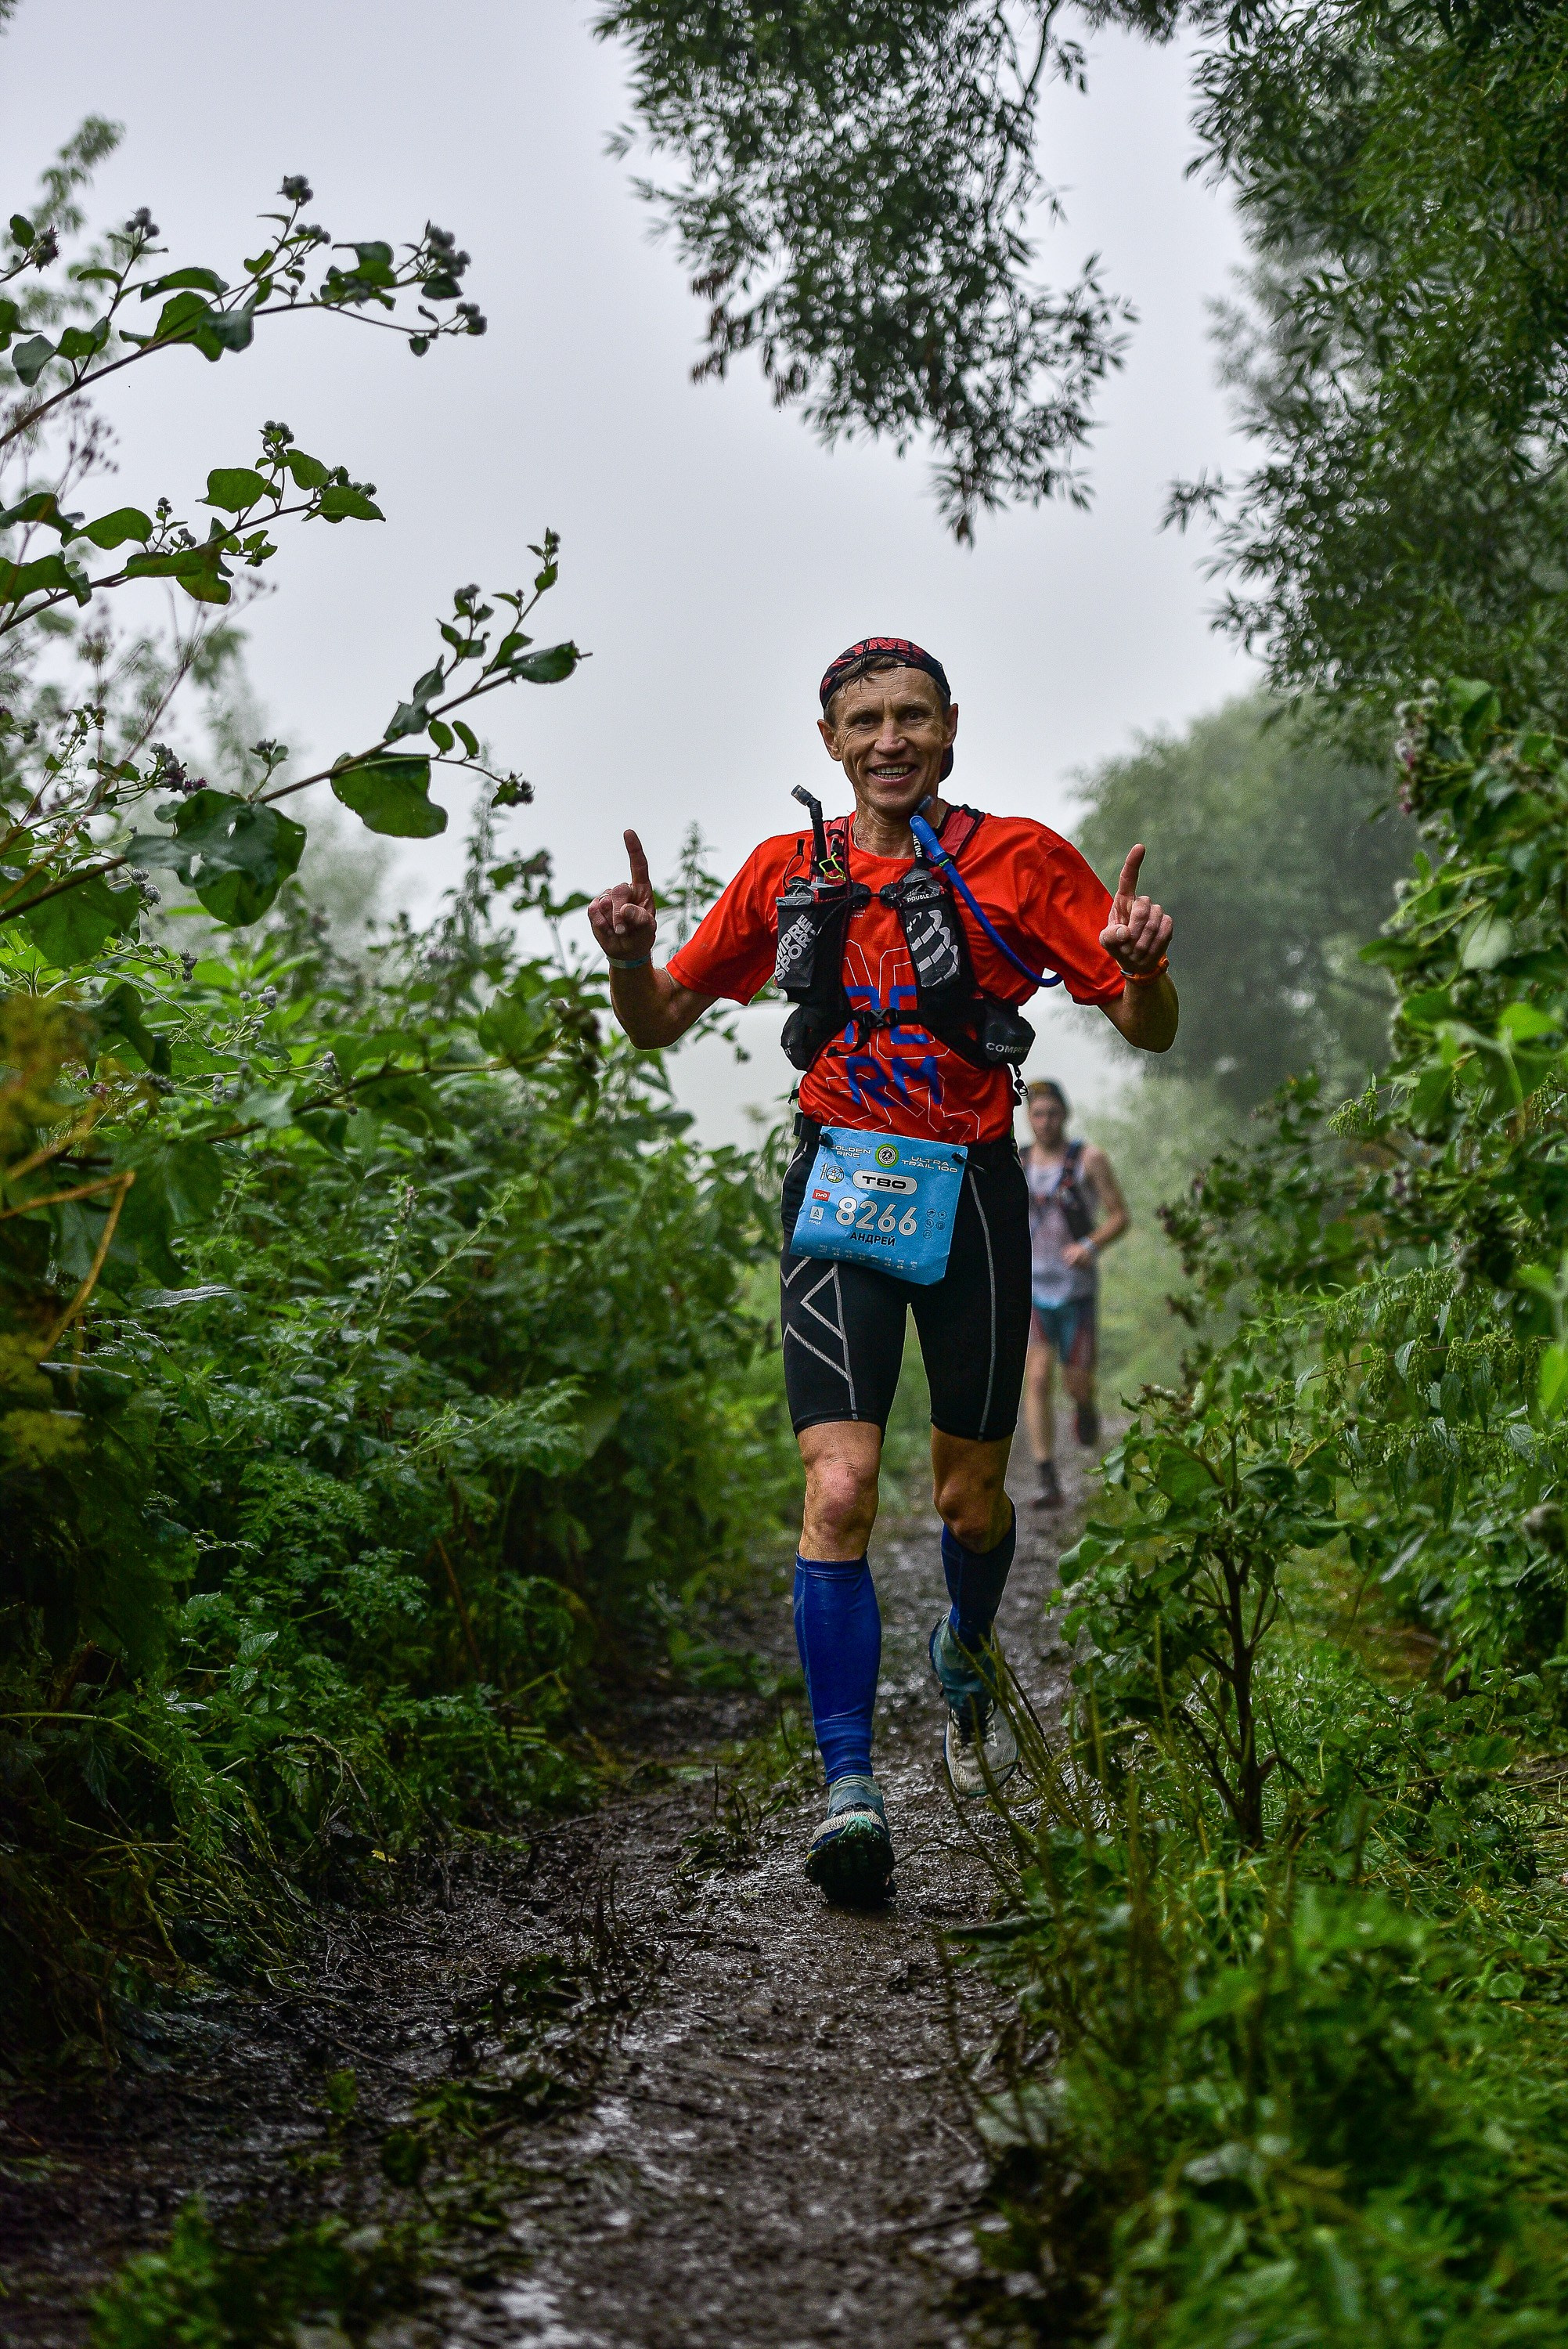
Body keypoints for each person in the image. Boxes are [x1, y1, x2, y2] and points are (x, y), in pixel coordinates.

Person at [586, 637, 1176, 1907]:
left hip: (974, 1199)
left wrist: (1140, 968)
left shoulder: (1019, 861)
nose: (889, 739)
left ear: (949, 728)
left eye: (911, 716)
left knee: (968, 1502)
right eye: (864, 721)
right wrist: (630, 957)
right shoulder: (782, 874)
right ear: (829, 742)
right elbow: (656, 1022)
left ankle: (966, 1641)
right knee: (840, 1487)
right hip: (837, 1190)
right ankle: (847, 1788)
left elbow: (1146, 1027)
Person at [1021, 1080, 1129, 1509]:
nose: (1045, 1122)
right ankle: (1047, 1478)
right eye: (1038, 1114)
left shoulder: (1089, 1159)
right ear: (1029, 1118)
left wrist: (1089, 1245)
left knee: (1076, 1384)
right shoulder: (1018, 1161)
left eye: (1052, 1114)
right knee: (1037, 1378)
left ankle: (1085, 1408)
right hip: (1032, 1288)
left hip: (1076, 1290)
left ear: (1064, 1115)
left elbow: (1120, 1216)